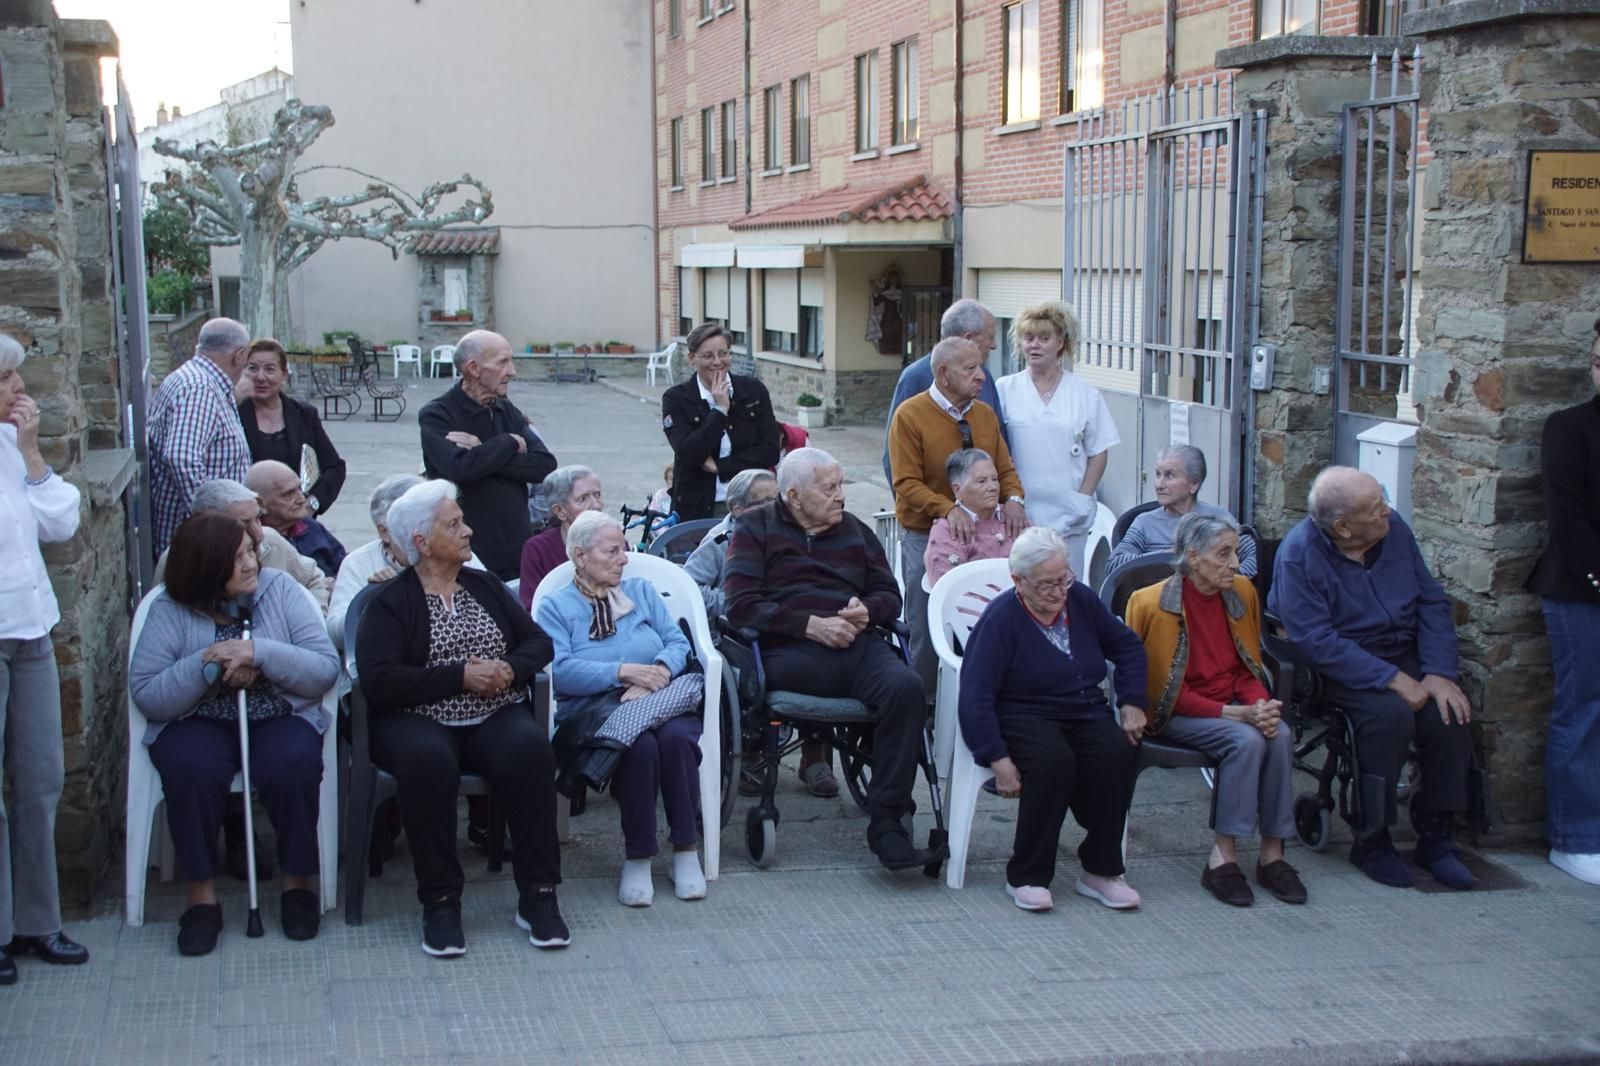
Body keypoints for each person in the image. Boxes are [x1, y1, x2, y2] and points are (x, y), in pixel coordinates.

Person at [356, 480, 569, 955]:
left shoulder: (484, 585)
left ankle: (539, 894)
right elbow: (379, 680)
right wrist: (459, 677)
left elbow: (538, 643)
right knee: (427, 761)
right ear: (421, 541)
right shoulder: (390, 602)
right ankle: (441, 900)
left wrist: (510, 669)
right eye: (454, 524)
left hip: (491, 712)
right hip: (415, 716)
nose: (468, 530)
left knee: (532, 750)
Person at [724, 448, 947, 871]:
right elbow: (740, 605)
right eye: (830, 488)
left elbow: (889, 595)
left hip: (856, 643)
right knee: (840, 676)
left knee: (907, 688)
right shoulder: (755, 528)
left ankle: (887, 823)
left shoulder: (856, 531)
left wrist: (869, 610)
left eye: (841, 484)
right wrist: (809, 625)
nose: (841, 495)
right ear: (794, 495)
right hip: (788, 649)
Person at [129, 513, 338, 956]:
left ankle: (297, 883)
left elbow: (322, 669)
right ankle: (200, 897)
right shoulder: (170, 609)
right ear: (205, 565)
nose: (251, 564)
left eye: (250, 551)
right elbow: (148, 693)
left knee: (292, 762)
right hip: (197, 719)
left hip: (278, 712)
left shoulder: (280, 591)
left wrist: (258, 652)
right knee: (191, 767)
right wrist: (212, 663)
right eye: (237, 556)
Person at [1269, 467, 1476, 891]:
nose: (1388, 510)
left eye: (1382, 499)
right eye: (1375, 507)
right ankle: (1372, 839)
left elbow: (1431, 602)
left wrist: (1438, 672)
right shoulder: (1299, 555)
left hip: (1405, 651)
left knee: (1449, 712)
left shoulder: (1393, 530)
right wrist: (1390, 678)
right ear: (1342, 527)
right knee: (1389, 717)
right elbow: (1318, 641)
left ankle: (1437, 836)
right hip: (1342, 662)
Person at [957, 527, 1146, 912]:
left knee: (1116, 753)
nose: (1059, 592)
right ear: (1018, 581)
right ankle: (1027, 874)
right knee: (1053, 762)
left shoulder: (1080, 600)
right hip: (1024, 712)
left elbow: (1127, 646)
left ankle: (1101, 870)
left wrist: (1131, 701)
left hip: (1083, 708)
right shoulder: (1001, 619)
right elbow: (975, 694)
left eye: (1064, 579)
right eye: (1047, 584)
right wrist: (998, 759)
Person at [1125, 512, 1306, 907]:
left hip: (1234, 706)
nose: (1236, 564)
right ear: (1193, 556)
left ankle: (1272, 854)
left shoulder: (1241, 592)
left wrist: (1261, 704)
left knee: (1280, 735)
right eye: (1223, 554)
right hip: (1176, 713)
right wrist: (1235, 715)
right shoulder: (1151, 604)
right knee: (1244, 740)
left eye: (1236, 553)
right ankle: (1222, 857)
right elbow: (1160, 694)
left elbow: (1247, 665)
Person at [536, 511, 708, 907]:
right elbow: (560, 671)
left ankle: (685, 848)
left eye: (624, 549)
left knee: (678, 738)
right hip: (596, 711)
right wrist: (623, 673)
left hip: (659, 699)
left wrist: (660, 672)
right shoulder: (556, 606)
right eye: (612, 551)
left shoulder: (643, 592)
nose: (624, 558)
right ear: (580, 556)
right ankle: (639, 855)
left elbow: (677, 642)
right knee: (639, 746)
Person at [0, 333, 89, 984]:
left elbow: (61, 522)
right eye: (8, 380)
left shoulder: (12, 447)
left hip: (30, 629)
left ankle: (38, 921)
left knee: (40, 781)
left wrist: (32, 453)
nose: (20, 392)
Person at [682, 468, 837, 797]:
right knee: (750, 671)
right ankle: (750, 754)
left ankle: (814, 756)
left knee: (824, 661)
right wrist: (734, 602)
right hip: (737, 633)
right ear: (737, 509)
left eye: (775, 499)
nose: (773, 506)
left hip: (786, 629)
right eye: (761, 501)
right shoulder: (719, 541)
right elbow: (688, 587)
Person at [888, 336, 1027, 692]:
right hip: (925, 534)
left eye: (981, 366)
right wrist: (948, 509)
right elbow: (905, 481)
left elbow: (1005, 468)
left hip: (989, 533)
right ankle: (926, 708)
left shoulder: (984, 413)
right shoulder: (910, 415)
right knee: (927, 620)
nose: (981, 376)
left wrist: (1014, 499)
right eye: (971, 369)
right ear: (944, 375)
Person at [1526, 318, 1600, 887]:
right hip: (1581, 591)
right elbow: (1568, 518)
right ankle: (1574, 837)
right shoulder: (1570, 428)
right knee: (1584, 712)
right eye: (1598, 361)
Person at [419, 330, 558, 580]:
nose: (512, 371)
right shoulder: (438, 415)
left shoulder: (506, 410)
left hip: (516, 551)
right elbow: (460, 469)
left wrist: (482, 447)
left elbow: (544, 465)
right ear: (474, 368)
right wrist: (508, 442)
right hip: (466, 556)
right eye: (503, 362)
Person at [995, 301, 1119, 577]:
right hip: (1020, 513)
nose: (1034, 345)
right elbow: (996, 448)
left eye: (1044, 338)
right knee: (1024, 584)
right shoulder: (1005, 389)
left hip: (1069, 512)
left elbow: (1099, 451)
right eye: (1028, 338)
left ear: (1061, 342)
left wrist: (1083, 496)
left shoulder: (1084, 393)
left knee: (1066, 584)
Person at [328, 475, 486, 652]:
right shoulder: (359, 563)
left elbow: (498, 609)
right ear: (384, 532)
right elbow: (336, 635)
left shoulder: (456, 555)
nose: (466, 532)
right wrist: (370, 601)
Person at [147, 317, 254, 557]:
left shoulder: (196, 379)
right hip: (199, 543)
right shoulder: (200, 388)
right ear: (239, 355)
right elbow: (181, 457)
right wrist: (213, 519)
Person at [155, 479, 332, 613]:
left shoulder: (271, 541)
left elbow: (314, 581)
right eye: (243, 523)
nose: (259, 533)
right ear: (207, 526)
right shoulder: (176, 561)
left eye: (258, 518)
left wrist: (309, 622)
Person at [660, 323, 781, 521]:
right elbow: (689, 454)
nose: (717, 362)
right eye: (708, 356)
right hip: (699, 508)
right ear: (692, 358)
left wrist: (720, 466)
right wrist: (720, 410)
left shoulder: (753, 390)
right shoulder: (676, 399)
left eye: (723, 353)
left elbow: (770, 450)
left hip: (753, 502)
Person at [880, 298, 1006, 484]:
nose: (994, 345)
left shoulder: (985, 378)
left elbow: (1002, 447)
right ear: (967, 338)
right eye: (990, 336)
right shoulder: (915, 378)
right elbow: (894, 458)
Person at [237, 338, 347, 517]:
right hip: (251, 521)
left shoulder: (304, 414)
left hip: (296, 521)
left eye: (270, 369)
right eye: (252, 368)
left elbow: (335, 467)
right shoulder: (234, 414)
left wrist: (312, 505)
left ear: (284, 375)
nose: (260, 377)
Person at [1110, 445, 1257, 578]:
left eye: (1169, 475)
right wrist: (1166, 556)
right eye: (1158, 474)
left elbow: (1254, 555)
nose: (1159, 484)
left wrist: (1226, 579)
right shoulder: (1145, 522)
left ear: (1194, 484)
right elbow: (1115, 564)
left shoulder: (1218, 518)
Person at [922, 448, 1015, 588]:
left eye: (995, 479)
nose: (992, 487)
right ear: (957, 489)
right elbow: (946, 589)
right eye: (982, 481)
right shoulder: (947, 529)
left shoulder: (1012, 515)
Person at [518, 465, 605, 612]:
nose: (596, 505)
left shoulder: (614, 541)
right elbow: (532, 607)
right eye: (583, 498)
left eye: (597, 495)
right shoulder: (538, 549)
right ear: (560, 511)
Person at [244, 461, 347, 579]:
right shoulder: (256, 545)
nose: (302, 499)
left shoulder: (310, 526)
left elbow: (343, 565)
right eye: (288, 494)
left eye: (300, 489)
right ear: (261, 504)